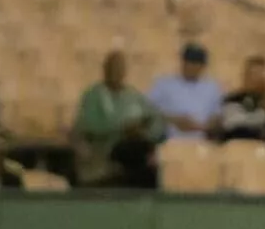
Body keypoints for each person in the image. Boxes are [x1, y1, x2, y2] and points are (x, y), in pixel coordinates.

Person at [70, 50, 164, 188]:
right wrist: (122, 128)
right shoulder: (93, 96)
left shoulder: (134, 96)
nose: (116, 72)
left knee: (147, 160)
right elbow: (88, 125)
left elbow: (156, 121)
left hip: (137, 145)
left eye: (120, 68)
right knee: (134, 153)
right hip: (109, 148)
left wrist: (143, 131)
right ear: (105, 70)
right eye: (112, 68)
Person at [147, 42, 224, 140]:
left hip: (202, 144)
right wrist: (174, 120)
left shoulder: (212, 88)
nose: (192, 67)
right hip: (170, 141)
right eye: (189, 62)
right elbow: (149, 112)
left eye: (197, 64)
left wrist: (202, 126)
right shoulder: (164, 84)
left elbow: (217, 116)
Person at [216, 55, 265, 143]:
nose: (257, 79)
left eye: (260, 75)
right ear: (245, 76)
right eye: (253, 74)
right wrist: (262, 117)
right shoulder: (232, 99)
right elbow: (232, 125)